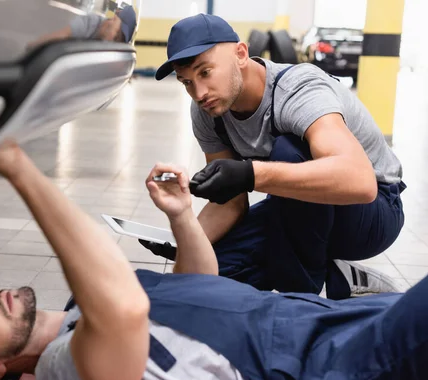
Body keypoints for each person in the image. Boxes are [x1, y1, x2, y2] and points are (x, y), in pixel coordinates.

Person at [0, 140, 425, 380]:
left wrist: (181, 216)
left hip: (310, 324)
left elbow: (199, 287)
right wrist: (17, 164)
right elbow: (126, 311)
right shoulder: (65, 370)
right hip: (316, 373)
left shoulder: (75, 318)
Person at [141, 14, 406, 300]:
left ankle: (307, 300)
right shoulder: (208, 111)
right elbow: (231, 204)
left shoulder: (298, 91)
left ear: (241, 54)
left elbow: (360, 182)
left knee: (289, 151)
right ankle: (344, 277)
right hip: (296, 205)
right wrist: (186, 238)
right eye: (187, 82)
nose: (199, 93)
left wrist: (250, 174)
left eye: (205, 72)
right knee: (217, 266)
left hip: (372, 212)